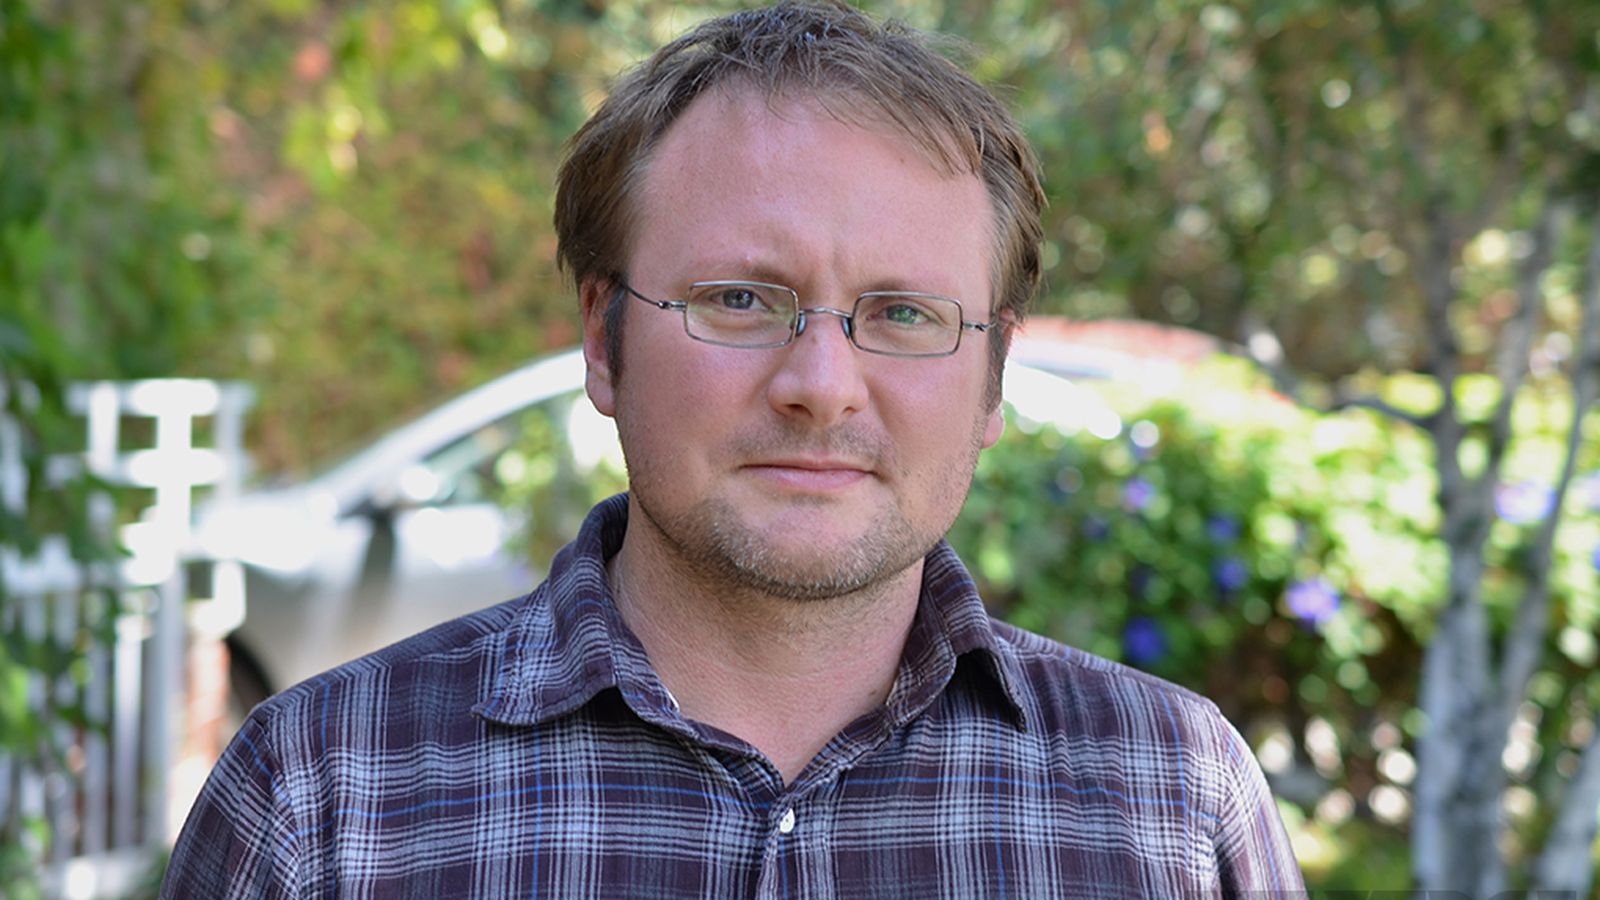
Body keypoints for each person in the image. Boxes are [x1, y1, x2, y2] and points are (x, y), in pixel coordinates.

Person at [162, 3, 1305, 897]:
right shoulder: (323, 796)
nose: (821, 385)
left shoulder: (1173, 799)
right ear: (603, 341)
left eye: (904, 313)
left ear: (992, 374)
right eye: (741, 299)